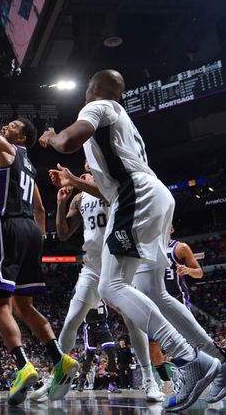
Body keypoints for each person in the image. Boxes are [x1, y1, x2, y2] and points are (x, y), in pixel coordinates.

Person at [39, 69, 226, 411]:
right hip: (143, 204)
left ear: (91, 90)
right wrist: (66, 192)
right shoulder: (121, 128)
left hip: (136, 200)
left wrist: (51, 136)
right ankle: (217, 360)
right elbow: (67, 228)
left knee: (119, 293)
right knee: (150, 294)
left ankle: (184, 362)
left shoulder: (96, 109)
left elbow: (67, 141)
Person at [0, 91, 79, 405]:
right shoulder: (31, 169)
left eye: (11, 125)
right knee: (25, 306)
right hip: (29, 233)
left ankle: (23, 366)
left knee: (2, 306)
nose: (4, 128)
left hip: (5, 226)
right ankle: (59, 359)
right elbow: (40, 210)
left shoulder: (5, 147)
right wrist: (36, 241)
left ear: (21, 136)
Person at [50, 164, 163, 401]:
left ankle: (150, 381)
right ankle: (56, 378)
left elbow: (106, 191)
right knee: (71, 320)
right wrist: (61, 203)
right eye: (82, 168)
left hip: (118, 262)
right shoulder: (79, 198)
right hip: (92, 267)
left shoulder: (113, 184)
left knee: (132, 322)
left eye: (88, 168)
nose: (83, 171)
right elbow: (62, 234)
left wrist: (73, 178)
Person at [149, 229, 205, 394]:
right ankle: (166, 382)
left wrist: (187, 271)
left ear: (171, 228)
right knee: (153, 344)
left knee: (189, 340)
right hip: (154, 302)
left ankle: (203, 375)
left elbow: (199, 273)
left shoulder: (179, 248)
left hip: (176, 299)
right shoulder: (146, 249)